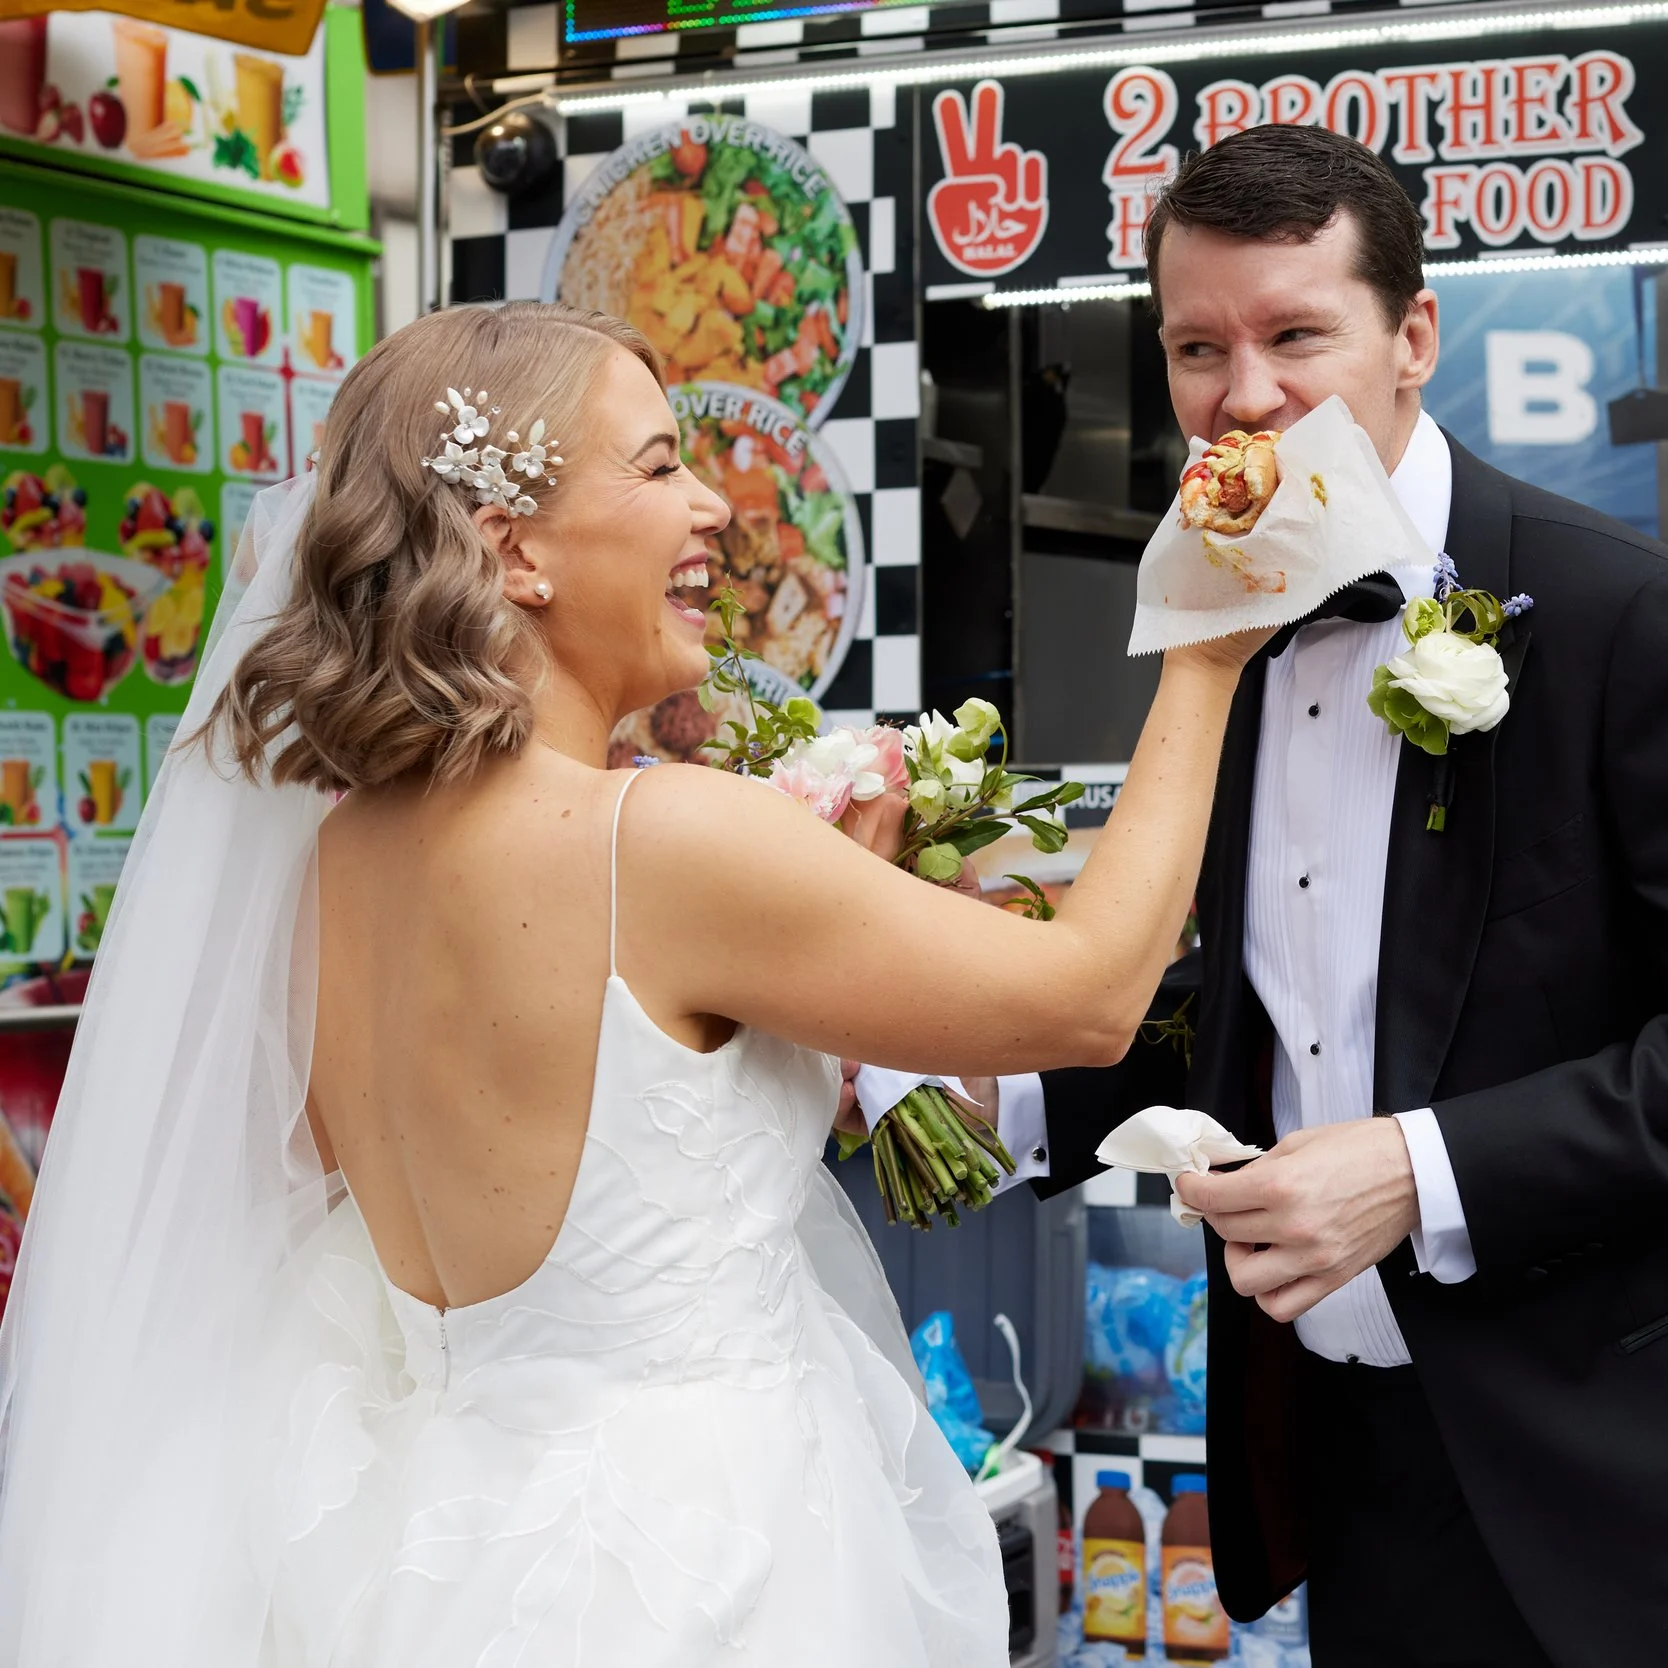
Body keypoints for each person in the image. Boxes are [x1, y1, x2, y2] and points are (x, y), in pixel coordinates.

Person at [0, 302, 1267, 1665]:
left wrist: (838, 903)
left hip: (432, 1557)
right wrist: (1202, 654)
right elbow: (1089, 995)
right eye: (660, 466)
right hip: (699, 1553)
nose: (714, 504)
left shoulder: (332, 865)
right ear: (514, 547)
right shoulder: (658, 837)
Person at [991, 126, 1668, 1668]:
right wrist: (998, 1098)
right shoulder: (1214, 631)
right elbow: (1259, 1005)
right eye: (1198, 347)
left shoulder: (1641, 621)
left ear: (1415, 338)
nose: (1247, 397)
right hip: (1357, 1461)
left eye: (1296, 335)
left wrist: (1418, 1171)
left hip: (1647, 1485)